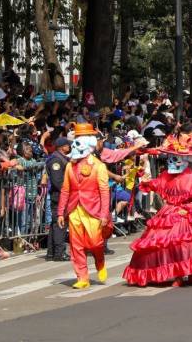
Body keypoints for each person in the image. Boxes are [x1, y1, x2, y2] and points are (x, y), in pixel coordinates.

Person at [123, 133, 192, 287]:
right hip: (170, 212)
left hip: (189, 214)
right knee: (170, 244)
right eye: (169, 157)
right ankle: (178, 275)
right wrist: (143, 178)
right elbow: (154, 183)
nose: (171, 161)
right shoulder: (165, 176)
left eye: (175, 158)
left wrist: (187, 208)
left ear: (185, 160)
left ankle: (191, 273)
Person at [57, 123, 111, 289]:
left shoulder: (99, 166)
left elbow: (104, 191)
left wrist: (104, 214)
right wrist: (60, 213)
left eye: (80, 140)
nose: (76, 144)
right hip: (74, 210)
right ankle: (82, 277)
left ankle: (100, 260)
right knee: (76, 245)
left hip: (93, 210)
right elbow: (65, 190)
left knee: (95, 243)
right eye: (76, 139)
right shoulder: (69, 166)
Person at [45, 137, 70, 261]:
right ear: (62, 147)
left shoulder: (62, 159)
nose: (69, 147)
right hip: (59, 195)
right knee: (60, 223)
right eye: (67, 145)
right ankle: (59, 253)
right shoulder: (56, 160)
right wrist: (67, 193)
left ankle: (51, 252)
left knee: (55, 223)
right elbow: (57, 181)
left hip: (61, 194)